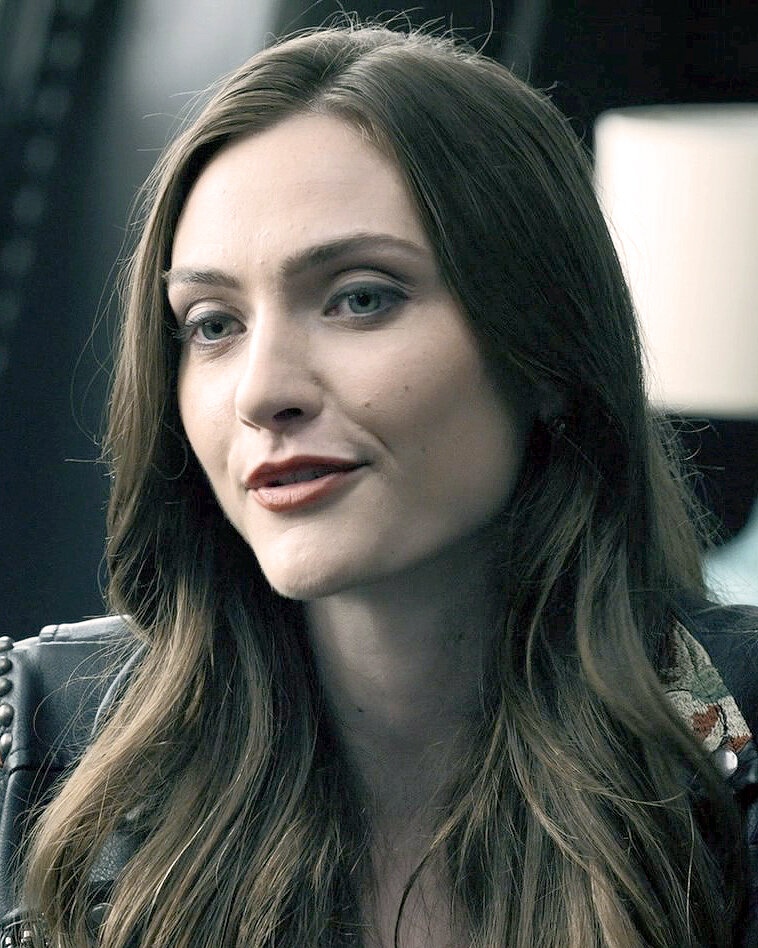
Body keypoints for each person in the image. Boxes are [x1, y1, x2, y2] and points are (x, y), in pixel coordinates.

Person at [2, 17, 757, 948]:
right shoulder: (48, 745)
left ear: (547, 351)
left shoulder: (734, 739)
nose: (262, 393)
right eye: (212, 324)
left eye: (361, 298)